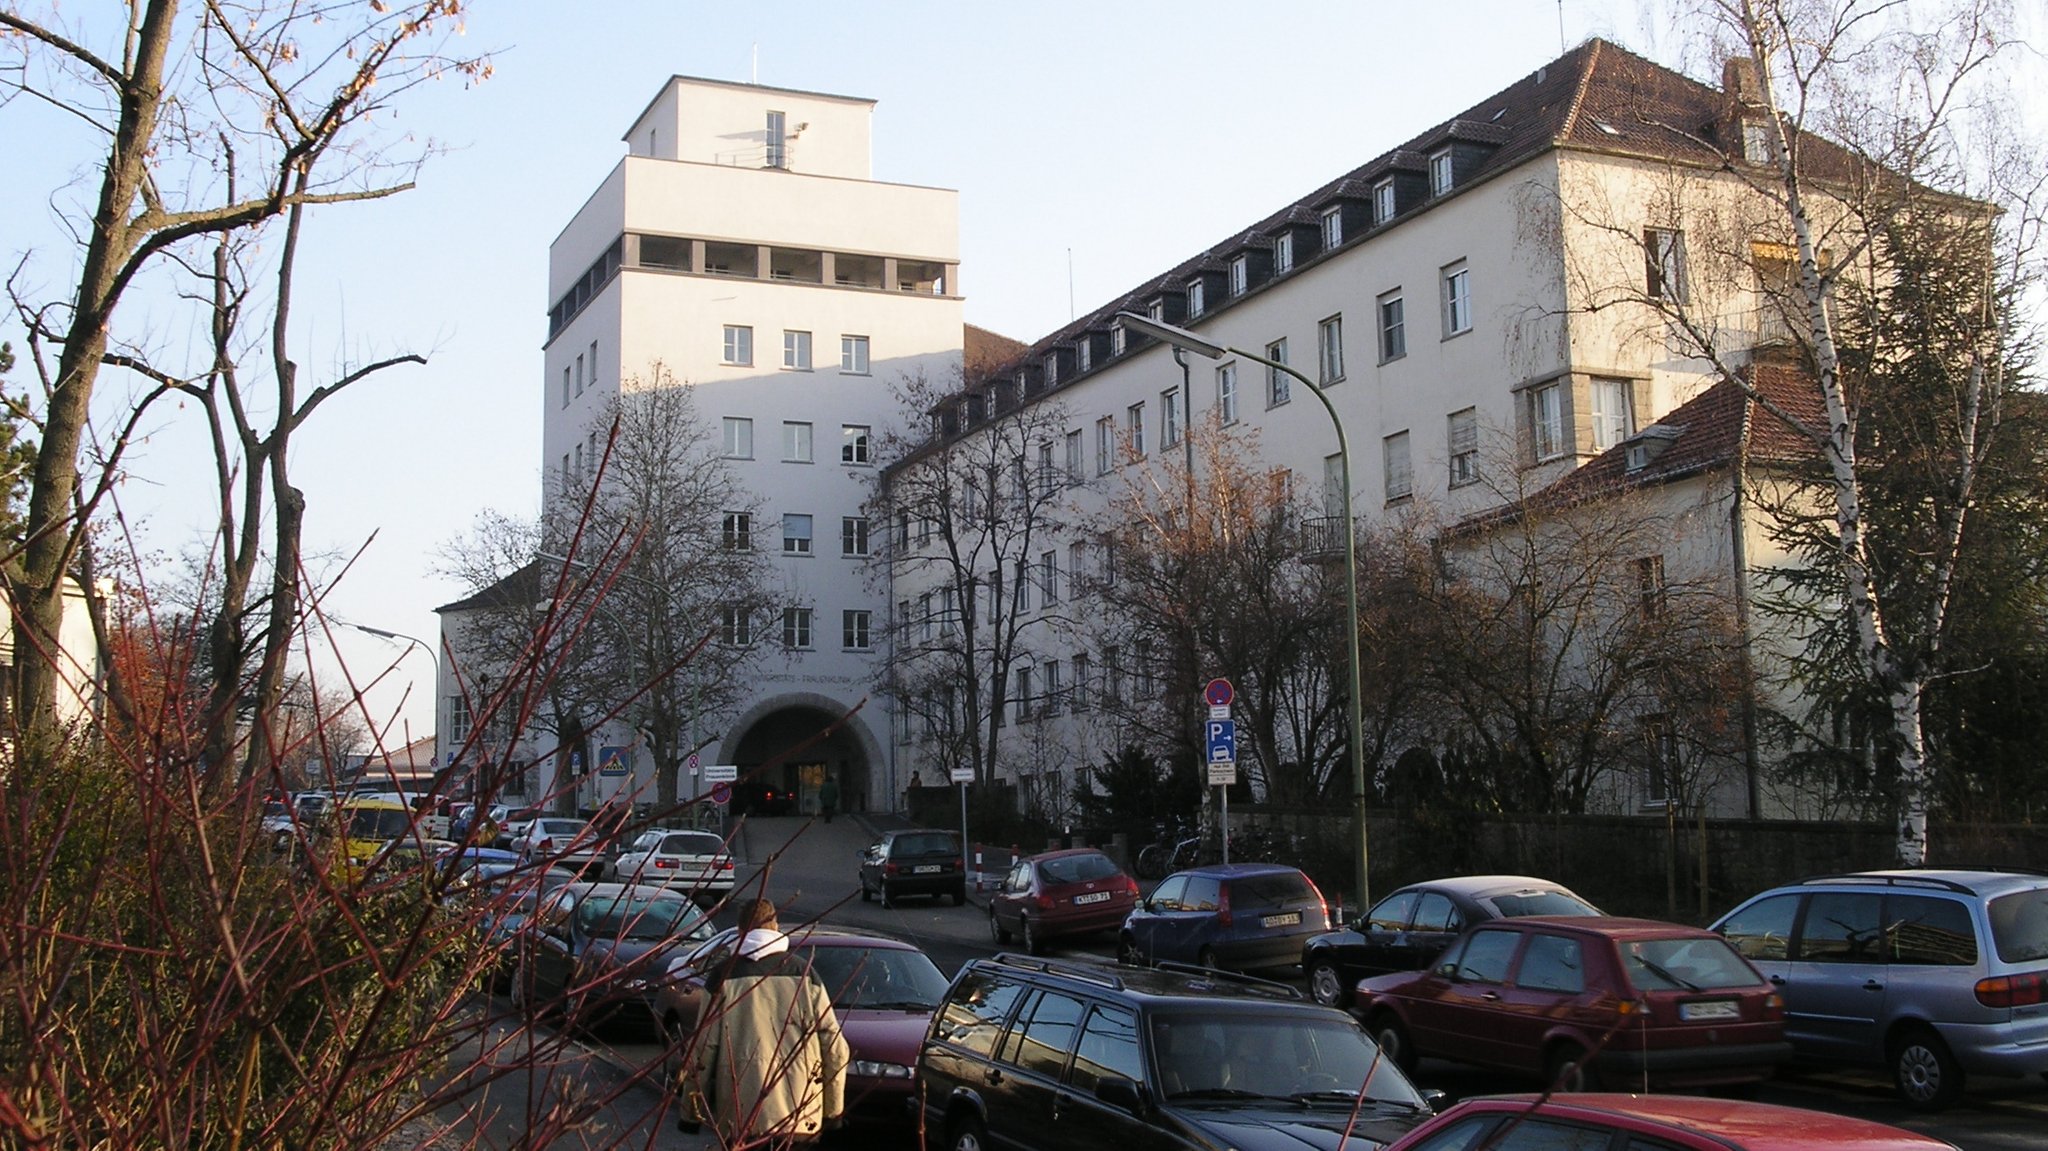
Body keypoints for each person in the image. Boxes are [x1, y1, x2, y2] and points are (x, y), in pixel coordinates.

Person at [679, 899, 849, 1143]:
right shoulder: (804, 974)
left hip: (740, 1114)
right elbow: (834, 1047)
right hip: (800, 1113)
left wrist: (691, 1114)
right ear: (776, 927)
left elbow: (703, 1051)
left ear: (739, 931)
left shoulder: (723, 977)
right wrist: (833, 1111)